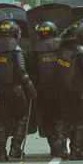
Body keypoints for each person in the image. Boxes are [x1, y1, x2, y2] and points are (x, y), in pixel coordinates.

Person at [0, 20, 37, 161]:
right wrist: (32, 90)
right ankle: (15, 147)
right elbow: (22, 73)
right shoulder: (16, 49)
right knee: (21, 117)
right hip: (16, 91)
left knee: (1, 121)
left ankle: (1, 152)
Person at [52, 21, 83, 160]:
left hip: (63, 90)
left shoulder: (62, 49)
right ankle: (75, 149)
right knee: (82, 120)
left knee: (65, 118)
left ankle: (59, 141)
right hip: (79, 92)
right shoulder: (82, 52)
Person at [29, 21, 60, 156]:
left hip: (42, 90)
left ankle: (53, 144)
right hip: (60, 89)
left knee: (47, 118)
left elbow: (31, 72)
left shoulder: (34, 50)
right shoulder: (61, 46)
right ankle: (60, 142)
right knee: (60, 117)